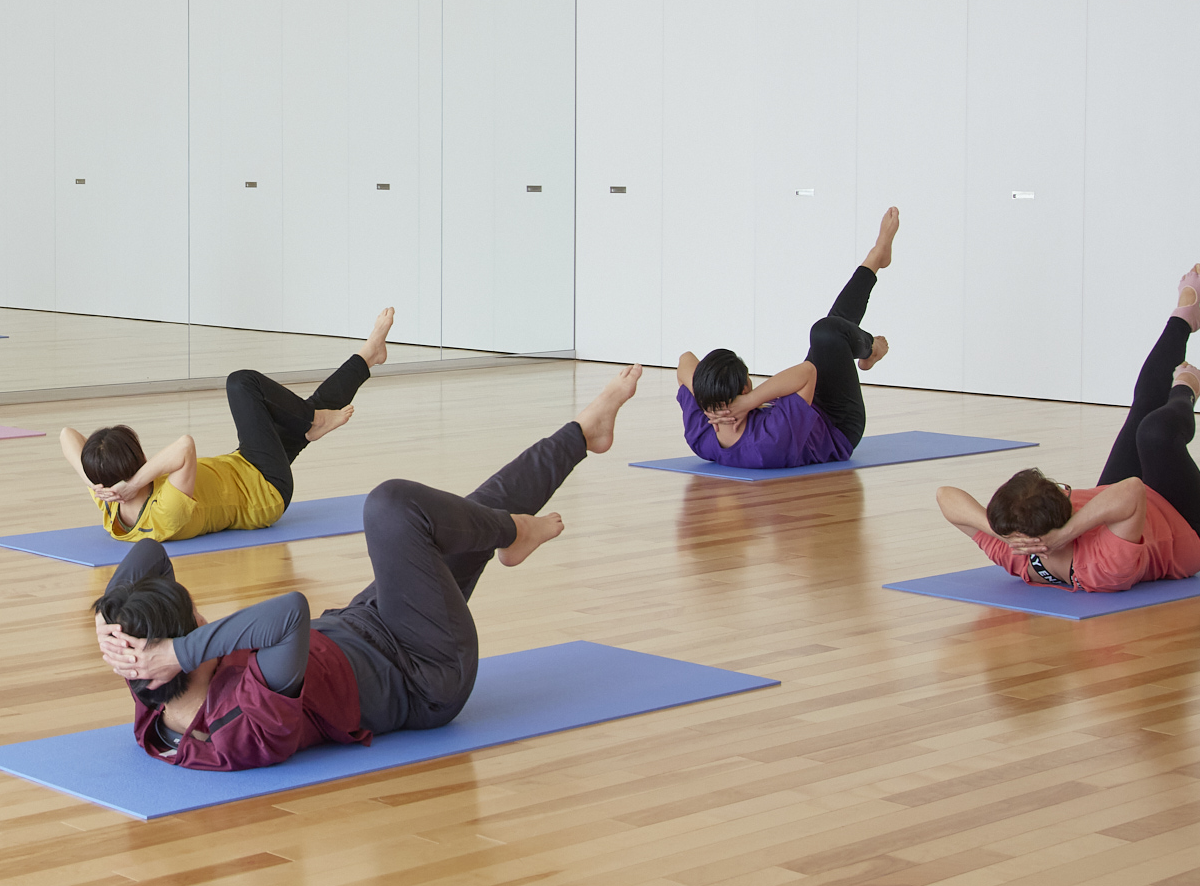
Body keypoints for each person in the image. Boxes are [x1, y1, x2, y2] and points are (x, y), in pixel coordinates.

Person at [92, 366, 641, 770]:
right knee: (391, 506)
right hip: (424, 672)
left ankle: (581, 435)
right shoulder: (240, 722)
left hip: (371, 624)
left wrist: (106, 620)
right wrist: (183, 649)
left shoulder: (150, 686)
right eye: (198, 622)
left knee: (465, 517)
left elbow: (148, 556)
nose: (207, 621)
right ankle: (514, 532)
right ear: (185, 651)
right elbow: (288, 615)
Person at [937, 264, 1200, 593]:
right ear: (1067, 513)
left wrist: (998, 531)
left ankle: (1183, 317)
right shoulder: (1104, 566)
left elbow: (945, 496)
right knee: (1153, 434)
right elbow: (1132, 491)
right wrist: (1066, 535)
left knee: (1143, 406)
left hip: (1115, 507)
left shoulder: (1013, 551)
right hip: (1185, 525)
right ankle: (1185, 390)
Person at [63, 309, 397, 543]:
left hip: (244, 466)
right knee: (242, 383)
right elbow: (184, 446)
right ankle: (314, 420)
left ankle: (369, 355)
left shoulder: (109, 504)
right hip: (265, 490)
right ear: (136, 462)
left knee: (305, 409)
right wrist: (135, 483)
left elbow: (67, 436)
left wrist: (99, 485)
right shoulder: (163, 513)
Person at [675, 206, 899, 470]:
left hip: (802, 405)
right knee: (826, 332)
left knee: (829, 334)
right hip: (837, 422)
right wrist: (749, 402)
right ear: (745, 388)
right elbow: (808, 372)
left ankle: (875, 258)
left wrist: (707, 398)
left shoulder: (701, 434)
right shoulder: (766, 442)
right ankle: (870, 348)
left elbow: (685, 360)